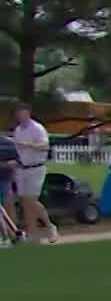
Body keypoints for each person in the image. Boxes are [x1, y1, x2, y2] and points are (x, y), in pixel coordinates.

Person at [9, 102, 58, 243]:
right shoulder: (18, 130)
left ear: (28, 113)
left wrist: (29, 145)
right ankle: (32, 233)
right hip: (21, 169)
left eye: (23, 113)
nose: (21, 116)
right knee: (25, 202)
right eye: (18, 113)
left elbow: (44, 145)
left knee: (31, 200)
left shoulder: (37, 128)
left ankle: (50, 226)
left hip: (36, 168)